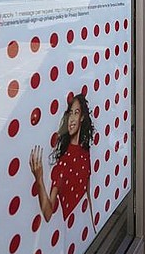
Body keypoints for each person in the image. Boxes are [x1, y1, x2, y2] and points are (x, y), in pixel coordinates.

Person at [30, 94, 97, 229]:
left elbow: (88, 193)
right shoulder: (63, 163)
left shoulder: (85, 152)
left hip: (84, 225)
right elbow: (48, 213)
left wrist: (93, 225)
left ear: (82, 117)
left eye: (76, 113)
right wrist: (39, 179)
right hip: (71, 231)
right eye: (70, 113)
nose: (72, 119)